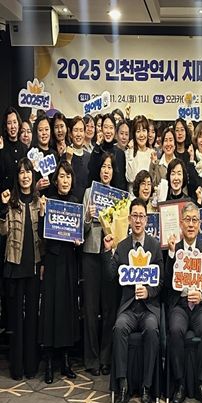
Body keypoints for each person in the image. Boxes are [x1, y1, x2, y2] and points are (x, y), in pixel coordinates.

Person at [103, 198, 164, 403]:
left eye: (141, 216)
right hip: (129, 308)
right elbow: (110, 276)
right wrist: (108, 251)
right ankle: (122, 386)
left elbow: (161, 281)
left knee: (152, 329)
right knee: (119, 327)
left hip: (148, 308)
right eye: (135, 216)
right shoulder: (122, 246)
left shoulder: (154, 246)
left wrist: (149, 291)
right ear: (129, 219)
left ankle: (147, 387)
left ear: (146, 220)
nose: (138, 220)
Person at [166, 202, 202, 403]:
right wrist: (170, 255)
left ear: (200, 224)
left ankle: (201, 383)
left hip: (200, 306)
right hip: (180, 304)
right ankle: (179, 384)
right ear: (181, 223)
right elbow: (166, 283)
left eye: (195, 220)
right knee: (175, 330)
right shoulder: (174, 248)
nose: (191, 224)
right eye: (188, 220)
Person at [38, 161, 81, 384]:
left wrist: (78, 240)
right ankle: (48, 362)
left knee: (67, 310)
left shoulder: (76, 202)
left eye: (68, 177)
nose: (65, 180)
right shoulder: (49, 201)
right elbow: (41, 233)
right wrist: (42, 213)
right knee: (50, 310)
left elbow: (80, 237)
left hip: (69, 261)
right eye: (62, 176)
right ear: (56, 180)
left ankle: (65, 361)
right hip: (53, 261)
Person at [0, 158, 42, 380]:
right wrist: (2, 207)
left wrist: (44, 213)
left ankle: (31, 366)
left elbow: (43, 236)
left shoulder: (38, 201)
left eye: (28, 172)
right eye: (21, 172)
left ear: (33, 176)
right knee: (16, 319)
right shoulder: (11, 201)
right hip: (14, 266)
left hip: (34, 266)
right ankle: (16, 368)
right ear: (17, 177)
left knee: (32, 318)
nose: (25, 176)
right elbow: (3, 231)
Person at [82, 153, 120, 376]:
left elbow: (121, 229)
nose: (106, 171)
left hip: (109, 255)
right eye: (104, 167)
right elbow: (81, 229)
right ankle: (91, 359)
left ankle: (106, 358)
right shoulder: (89, 193)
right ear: (99, 170)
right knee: (90, 309)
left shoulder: (118, 197)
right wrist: (88, 217)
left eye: (110, 167)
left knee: (109, 308)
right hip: (90, 254)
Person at [88, 114, 127, 190]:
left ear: (115, 130)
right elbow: (91, 172)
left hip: (114, 194)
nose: (108, 131)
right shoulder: (97, 150)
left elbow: (121, 182)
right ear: (101, 129)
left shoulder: (120, 153)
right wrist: (97, 144)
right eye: (105, 127)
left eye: (111, 128)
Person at [126, 115, 157, 193]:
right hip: (133, 197)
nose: (142, 135)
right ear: (134, 134)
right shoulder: (129, 153)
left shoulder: (152, 153)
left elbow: (153, 181)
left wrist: (153, 164)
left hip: (149, 197)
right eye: (138, 131)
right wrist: (131, 151)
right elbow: (131, 178)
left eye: (144, 130)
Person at [0, 107, 27, 192]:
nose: (12, 126)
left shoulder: (24, 148)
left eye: (15, 122)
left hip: (20, 194)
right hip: (4, 193)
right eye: (9, 123)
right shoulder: (2, 146)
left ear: (19, 124)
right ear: (5, 126)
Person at [68, 116, 91, 201]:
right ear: (70, 134)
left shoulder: (89, 157)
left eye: (81, 130)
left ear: (84, 133)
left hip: (86, 203)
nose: (78, 134)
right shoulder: (66, 156)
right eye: (75, 130)